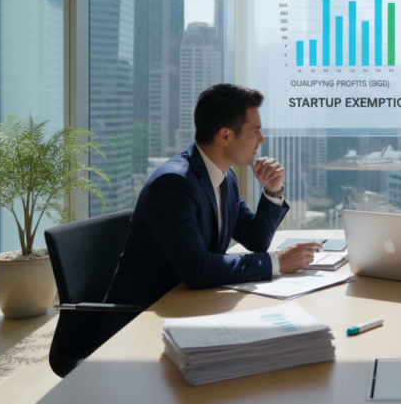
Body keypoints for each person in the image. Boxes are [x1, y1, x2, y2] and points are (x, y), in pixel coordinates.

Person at [96, 84, 321, 343]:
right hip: (142, 323)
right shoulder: (173, 184)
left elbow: (255, 239)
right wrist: (278, 261)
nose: (261, 140)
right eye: (255, 131)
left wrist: (273, 190)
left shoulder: (225, 177)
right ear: (225, 136)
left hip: (190, 306)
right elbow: (197, 268)